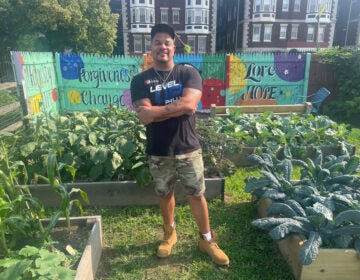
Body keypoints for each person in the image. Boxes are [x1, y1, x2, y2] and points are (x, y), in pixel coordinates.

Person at [130, 23, 229, 266]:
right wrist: (169, 110)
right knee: (165, 194)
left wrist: (156, 111)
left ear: (174, 47)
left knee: (197, 194)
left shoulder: (188, 73)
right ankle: (169, 233)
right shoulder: (140, 80)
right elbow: (144, 116)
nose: (162, 46)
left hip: (188, 148)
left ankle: (207, 240)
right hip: (158, 150)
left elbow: (189, 106)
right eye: (157, 42)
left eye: (167, 42)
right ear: (150, 48)